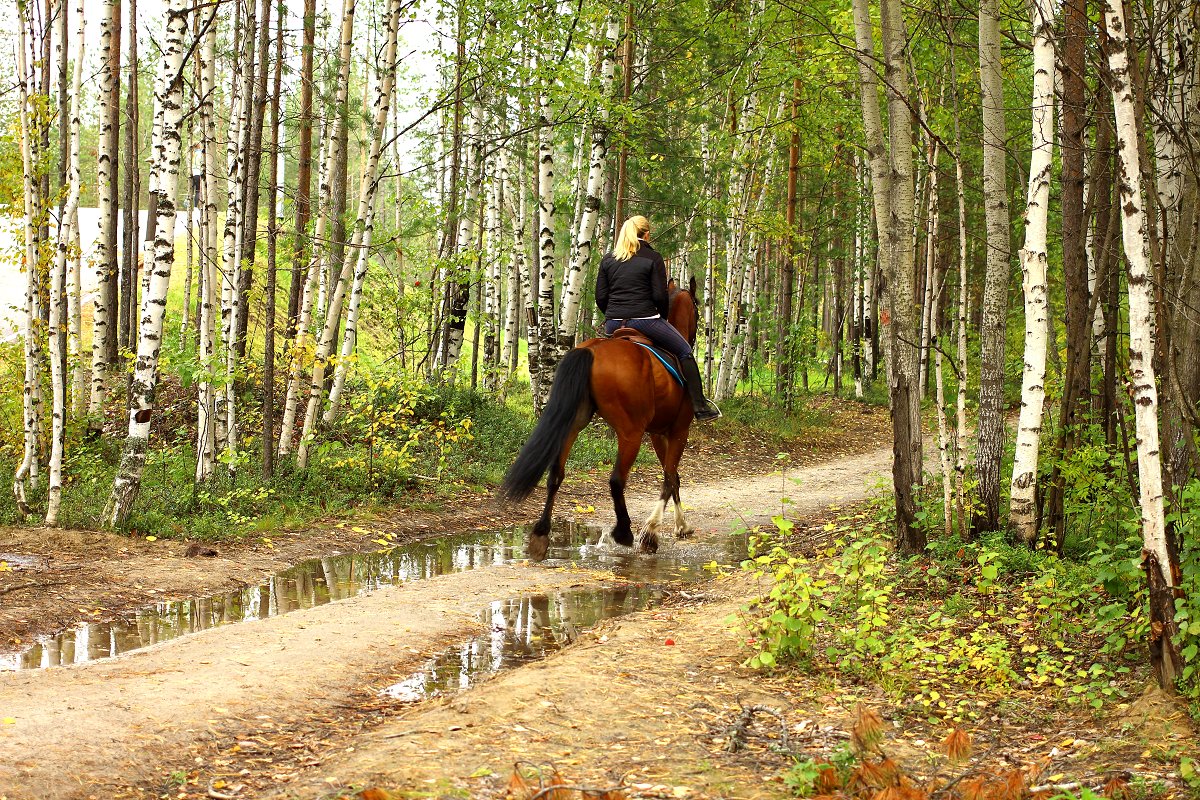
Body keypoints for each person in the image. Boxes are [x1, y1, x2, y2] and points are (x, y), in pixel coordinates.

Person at [595, 215, 721, 421]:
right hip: (645, 321)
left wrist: (613, 316)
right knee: (684, 351)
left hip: (613, 323)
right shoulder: (653, 258)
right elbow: (659, 296)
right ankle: (700, 407)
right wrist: (661, 318)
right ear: (647, 234)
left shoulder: (608, 259)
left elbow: (600, 296)